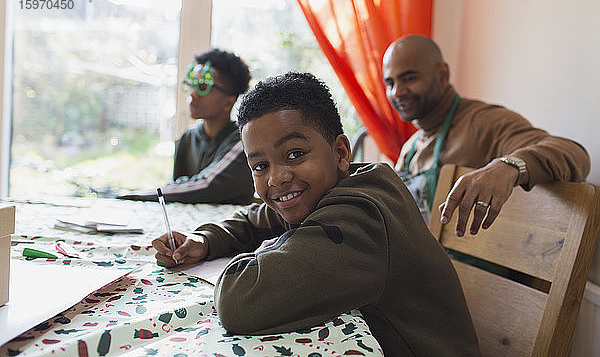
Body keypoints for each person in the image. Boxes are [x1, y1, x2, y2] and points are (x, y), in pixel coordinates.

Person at [152, 72, 481, 356]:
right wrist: (205, 241)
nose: (277, 177)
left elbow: (240, 302)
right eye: (260, 166)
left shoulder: (361, 218)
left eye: (294, 154)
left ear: (340, 152)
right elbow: (257, 219)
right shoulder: (336, 185)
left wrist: (269, 249)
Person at [383, 34, 590, 236]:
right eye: (390, 83)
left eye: (409, 78)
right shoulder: (410, 148)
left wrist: (507, 167)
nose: (397, 92)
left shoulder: (485, 123)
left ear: (442, 75)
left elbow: (575, 155)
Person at [118, 49, 255, 205]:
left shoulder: (242, 141)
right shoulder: (188, 137)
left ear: (228, 102)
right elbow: (179, 192)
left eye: (203, 86)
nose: (193, 94)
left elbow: (206, 186)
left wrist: (132, 195)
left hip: (225, 228)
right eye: (192, 85)